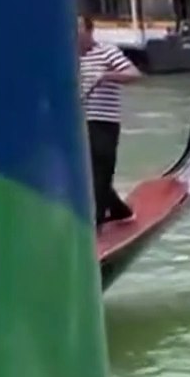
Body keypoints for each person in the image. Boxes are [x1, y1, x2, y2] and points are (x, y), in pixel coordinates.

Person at [78, 14, 142, 228]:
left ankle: (94, 226)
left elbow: (133, 74)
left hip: (104, 123)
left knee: (100, 171)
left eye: (78, 29)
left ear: (89, 31)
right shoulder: (69, 58)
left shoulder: (107, 52)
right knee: (86, 172)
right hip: (78, 124)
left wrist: (106, 76)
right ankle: (118, 211)